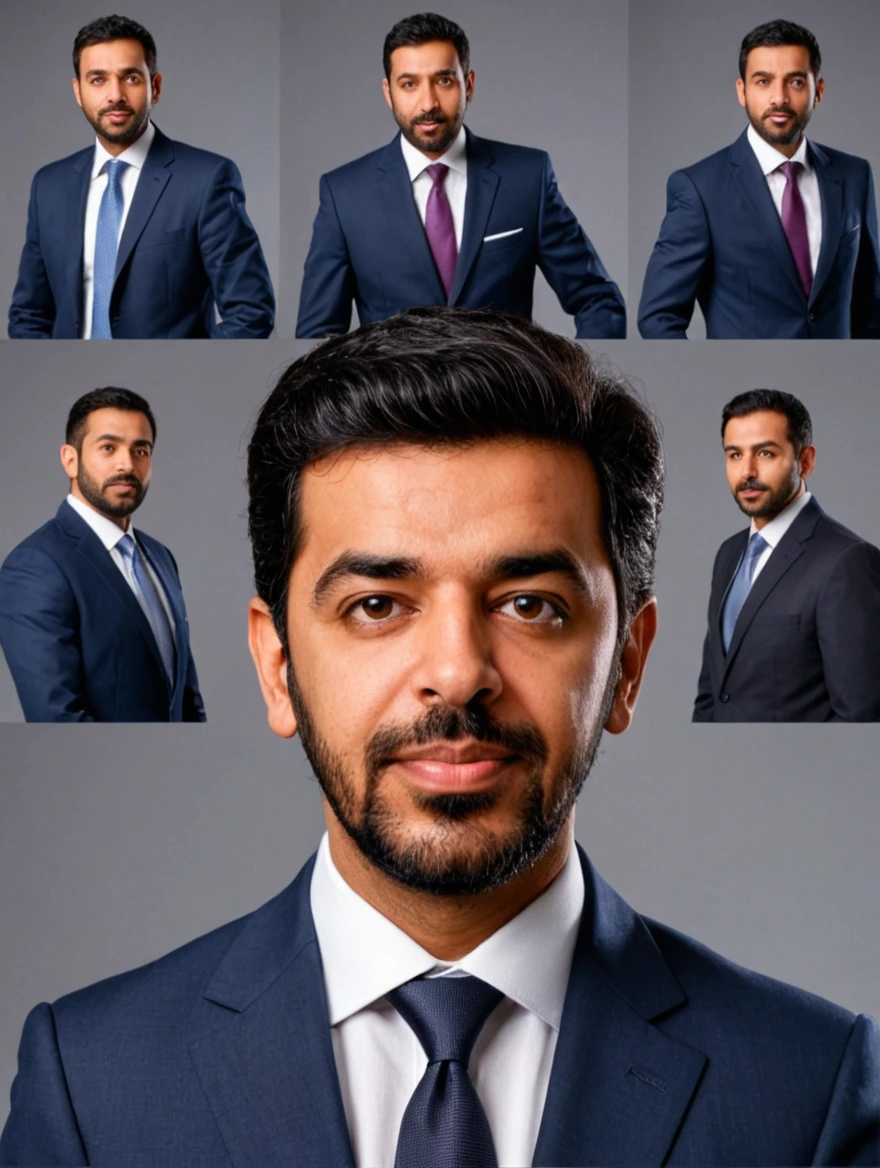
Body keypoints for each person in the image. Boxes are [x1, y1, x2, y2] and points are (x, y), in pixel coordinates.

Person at [2, 311, 877, 1167]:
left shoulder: (809, 1092)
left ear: (628, 666)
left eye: (531, 604)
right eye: (377, 605)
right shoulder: (90, 1084)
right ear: (278, 667)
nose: (458, 673)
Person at [296, 13, 625, 339]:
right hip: (396, 392)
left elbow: (598, 300)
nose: (428, 103)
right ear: (388, 93)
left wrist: (566, 377)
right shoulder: (344, 194)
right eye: (409, 84)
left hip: (506, 389)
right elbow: (317, 334)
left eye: (443, 81)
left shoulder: (527, 177)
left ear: (467, 85)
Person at [8, 14, 275, 339]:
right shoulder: (48, 186)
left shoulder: (206, 180)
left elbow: (251, 313)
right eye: (98, 80)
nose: (115, 95)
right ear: (78, 91)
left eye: (131, 78)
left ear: (156, 87)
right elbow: (28, 315)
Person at [638, 19, 880, 339]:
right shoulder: (699, 189)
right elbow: (658, 316)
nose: (779, 98)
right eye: (763, 81)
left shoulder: (854, 175)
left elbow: (870, 306)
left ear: (817, 90)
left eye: (795, 82)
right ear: (742, 91)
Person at [0, 388, 206, 723]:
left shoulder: (160, 557)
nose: (127, 464)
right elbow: (56, 718)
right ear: (70, 459)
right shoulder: (35, 567)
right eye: (108, 448)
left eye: (141, 450)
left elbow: (184, 699)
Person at [694, 389, 880, 722]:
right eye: (734, 455)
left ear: (805, 461)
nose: (747, 471)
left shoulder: (847, 562)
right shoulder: (729, 553)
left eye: (765, 453)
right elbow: (714, 692)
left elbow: (862, 717)